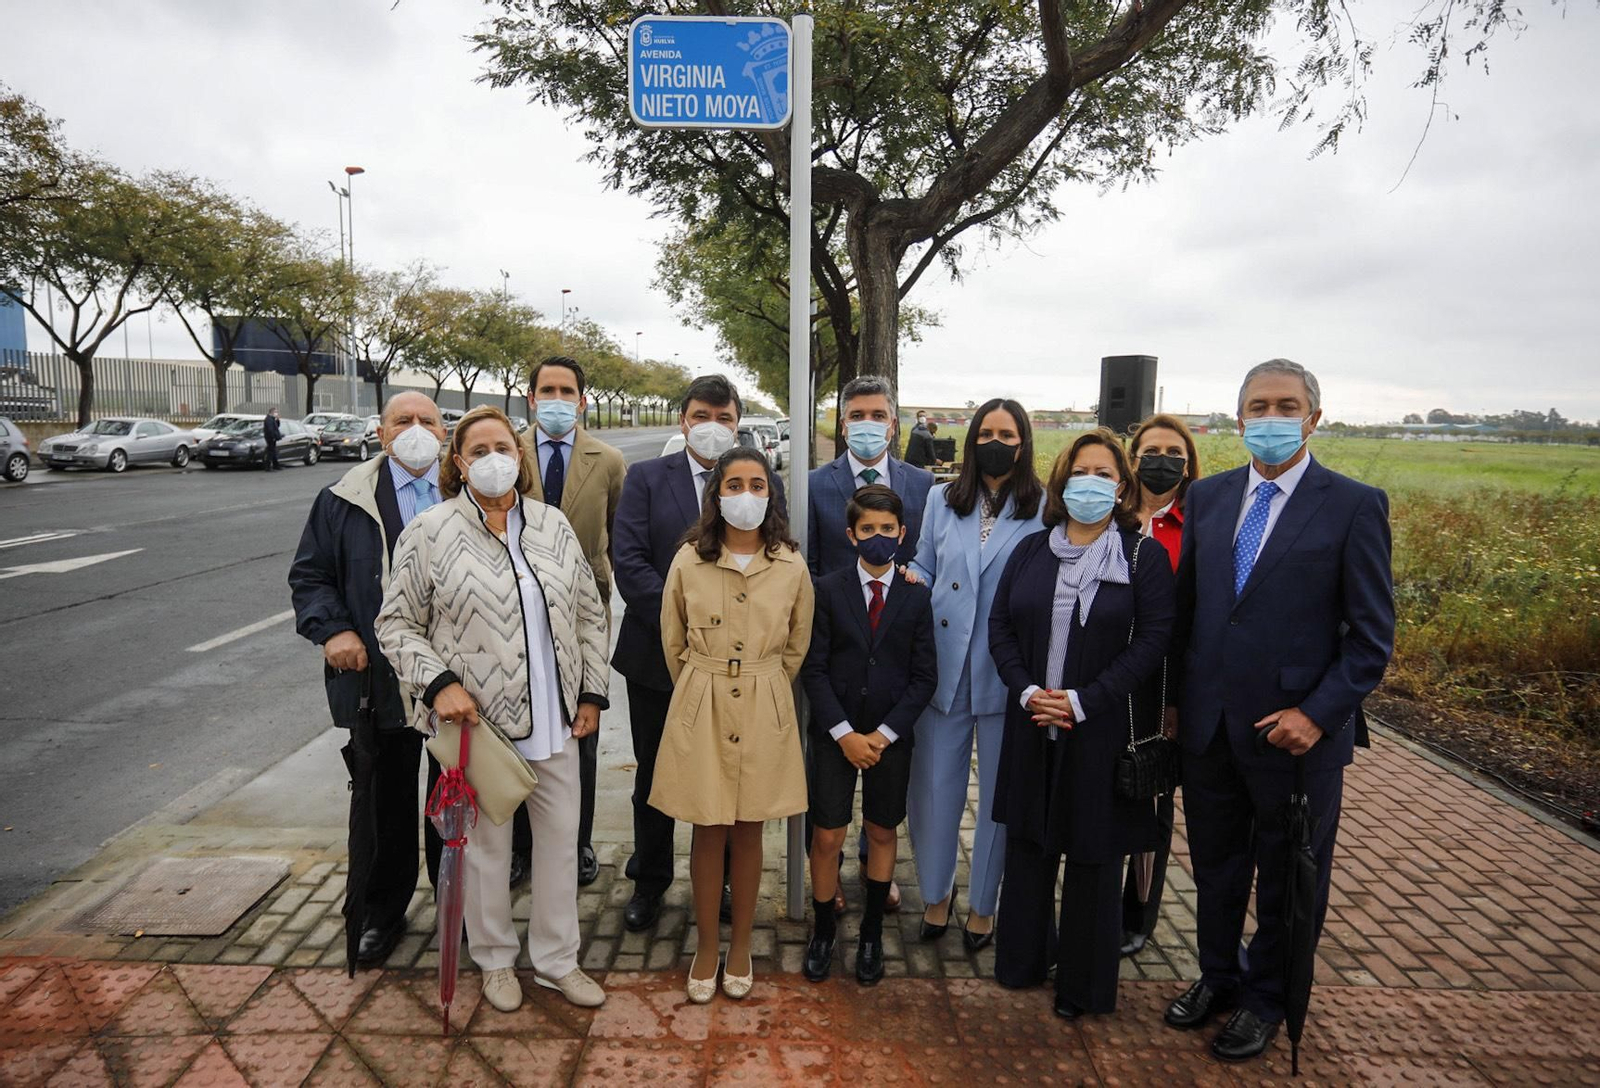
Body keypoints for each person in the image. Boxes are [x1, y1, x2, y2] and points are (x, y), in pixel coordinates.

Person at [1164, 359, 1394, 1062]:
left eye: (1285, 405)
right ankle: (1218, 976)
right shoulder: (1206, 498)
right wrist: (1177, 705)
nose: (1270, 418)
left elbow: (1371, 637)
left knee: (1290, 876)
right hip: (1209, 727)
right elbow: (1190, 615)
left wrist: (1318, 714)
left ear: (1313, 417)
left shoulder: (1353, 504)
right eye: (1257, 406)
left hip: (1295, 737)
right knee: (1215, 867)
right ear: (1239, 420)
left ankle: (1268, 999)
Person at [376, 406, 611, 1014]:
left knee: (560, 846)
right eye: (476, 450)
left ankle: (559, 960)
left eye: (501, 446)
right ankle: (496, 961)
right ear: (458, 464)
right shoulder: (429, 532)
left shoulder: (553, 525)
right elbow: (396, 625)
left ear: (520, 454)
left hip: (558, 723)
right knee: (486, 854)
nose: (491, 458)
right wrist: (440, 685)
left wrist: (591, 691)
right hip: (479, 729)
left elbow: (588, 612)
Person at [988, 428, 1175, 1018]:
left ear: (1121, 487)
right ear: (1062, 481)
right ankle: (1022, 960)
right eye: (1079, 472)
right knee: (1028, 845)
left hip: (1102, 728)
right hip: (1032, 722)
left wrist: (1084, 699)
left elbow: (1152, 642)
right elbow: (1001, 628)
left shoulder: (1142, 557)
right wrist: (1027, 691)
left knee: (1094, 855)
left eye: (1103, 474)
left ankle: (1084, 987)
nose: (1090, 483)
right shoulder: (1031, 550)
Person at [611, 375, 786, 932]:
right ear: (684, 419)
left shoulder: (757, 481)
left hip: (734, 666)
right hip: (658, 661)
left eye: (725, 417)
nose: (713, 426)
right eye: (702, 414)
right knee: (656, 775)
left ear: (739, 423)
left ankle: (727, 884)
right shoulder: (644, 477)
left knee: (730, 777)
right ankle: (651, 879)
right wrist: (679, 624)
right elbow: (628, 557)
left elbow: (774, 556)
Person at [288, 391, 448, 967]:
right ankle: (384, 911)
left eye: (427, 420)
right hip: (379, 681)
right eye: (402, 421)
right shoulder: (343, 499)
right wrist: (333, 631)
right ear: (381, 433)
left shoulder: (470, 491)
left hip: (459, 682)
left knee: (456, 799)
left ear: (444, 431)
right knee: (386, 799)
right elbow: (310, 578)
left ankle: (462, 906)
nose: (415, 429)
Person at [652, 446, 813, 1002]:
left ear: (771, 494)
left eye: (758, 484)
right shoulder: (688, 559)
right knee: (707, 826)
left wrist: (765, 684)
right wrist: (704, 684)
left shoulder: (790, 562)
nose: (746, 494)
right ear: (716, 493)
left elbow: (797, 643)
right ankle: (704, 945)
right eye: (734, 484)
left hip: (765, 699)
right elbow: (672, 639)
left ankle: (740, 944)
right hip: (703, 695)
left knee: (748, 829)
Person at [905, 398, 1045, 949]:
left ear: (1023, 442)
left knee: (997, 799)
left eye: (1006, 433)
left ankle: (984, 906)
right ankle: (936, 897)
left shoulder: (1045, 507)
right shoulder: (943, 498)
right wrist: (905, 581)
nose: (996, 441)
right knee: (934, 788)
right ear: (971, 441)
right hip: (942, 663)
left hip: (1008, 670)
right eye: (986, 431)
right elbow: (924, 562)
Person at [806, 374, 933, 914]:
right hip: (837, 650)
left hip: (895, 653)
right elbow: (809, 563)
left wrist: (911, 578)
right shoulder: (815, 484)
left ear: (893, 422)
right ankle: (825, 880)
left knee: (884, 807)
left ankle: (874, 866)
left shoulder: (923, 485)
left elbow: (927, 555)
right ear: (842, 423)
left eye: (877, 414)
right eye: (857, 415)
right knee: (829, 804)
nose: (867, 424)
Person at [800, 485, 936, 985]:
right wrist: (843, 734)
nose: (877, 538)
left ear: (902, 533)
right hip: (836, 735)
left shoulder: (916, 595)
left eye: (887, 529)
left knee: (881, 830)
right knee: (828, 833)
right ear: (850, 535)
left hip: (889, 739)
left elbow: (925, 677)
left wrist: (881, 735)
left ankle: (873, 931)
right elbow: (814, 669)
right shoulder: (828, 589)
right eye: (867, 530)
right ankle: (822, 931)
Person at [512, 356, 627, 890]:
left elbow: (616, 537)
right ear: (531, 397)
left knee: (580, 728)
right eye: (546, 389)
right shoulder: (505, 452)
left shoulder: (608, 460)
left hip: (582, 615)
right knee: (513, 728)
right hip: (512, 614)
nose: (556, 399)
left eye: (567, 391)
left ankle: (577, 842)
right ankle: (518, 846)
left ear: (582, 399)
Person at [1120, 413, 1202, 957]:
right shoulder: (1111, 514)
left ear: (1189, 463)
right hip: (1105, 673)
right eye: (1151, 450)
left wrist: (1175, 701)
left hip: (1165, 678)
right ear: (1133, 459)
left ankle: (1138, 912)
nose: (1162, 459)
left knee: (1150, 794)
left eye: (1174, 451)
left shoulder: (1199, 522)